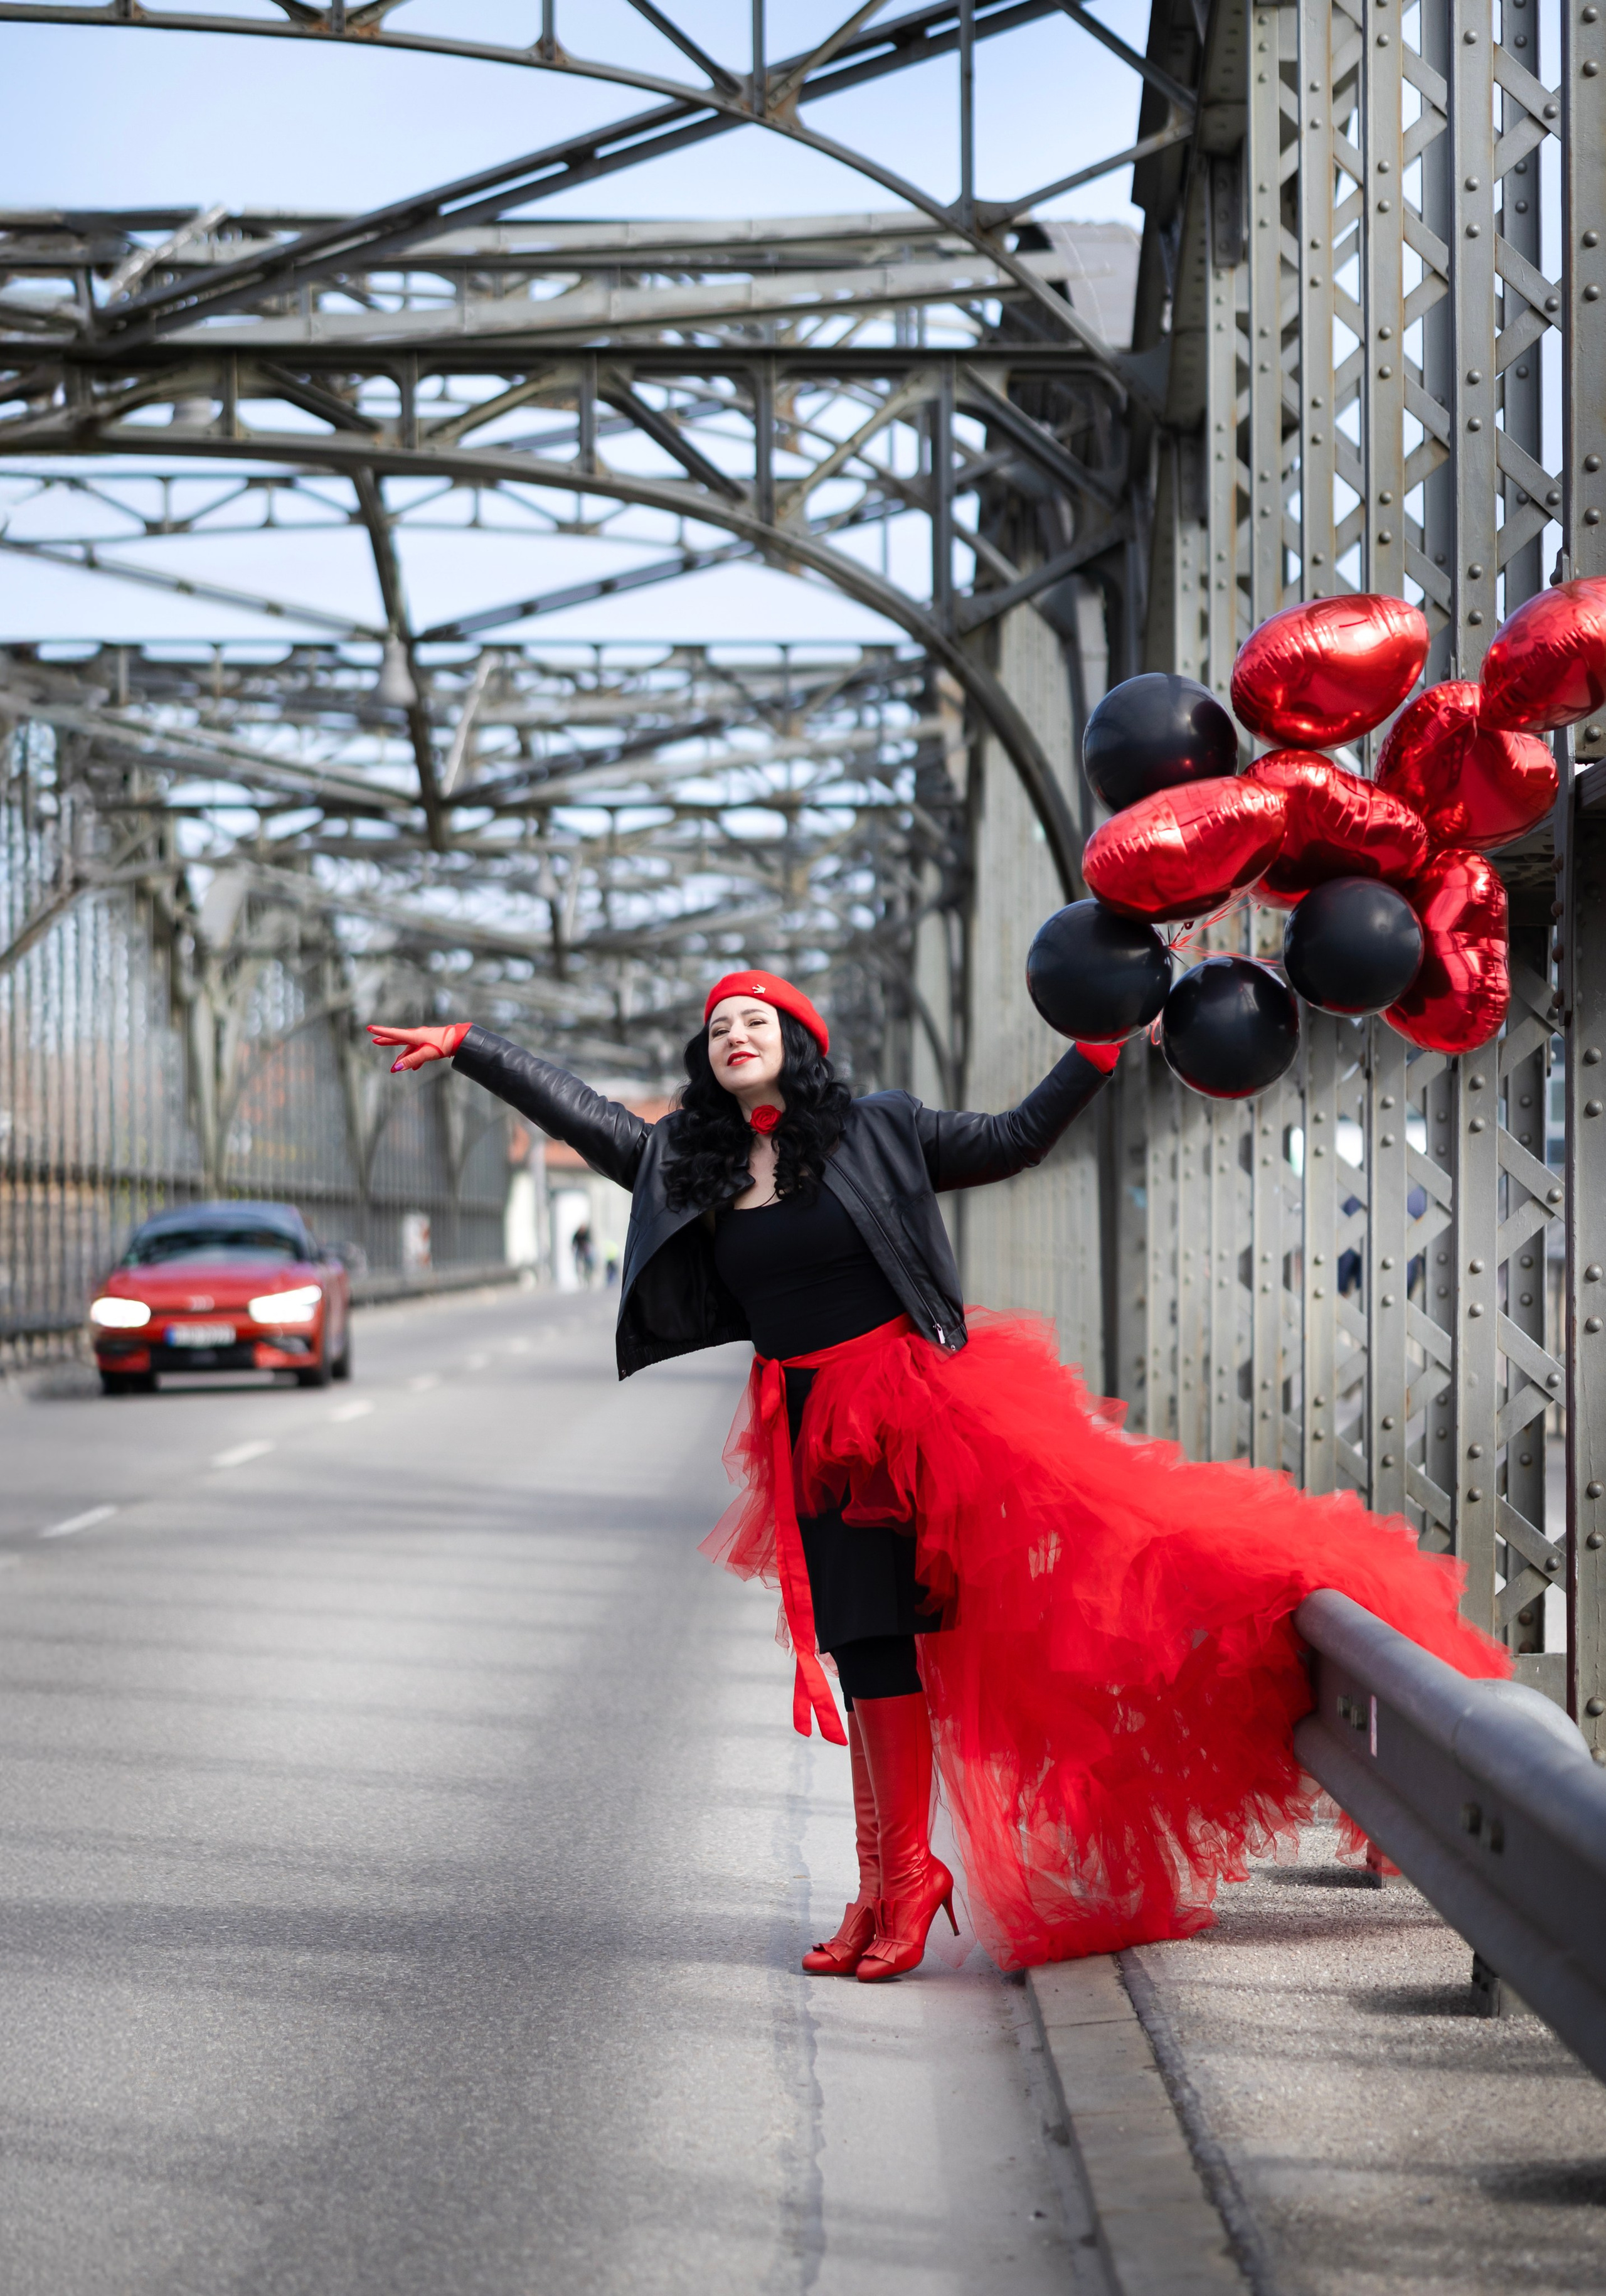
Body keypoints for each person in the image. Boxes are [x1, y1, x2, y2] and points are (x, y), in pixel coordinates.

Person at [367, 978, 1504, 1982]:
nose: (734, 1035)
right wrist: (472, 1048)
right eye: (717, 1029)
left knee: (968, 1618)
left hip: (913, 1421)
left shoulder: (880, 1129)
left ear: (799, 1041)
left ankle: (905, 1885)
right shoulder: (690, 1162)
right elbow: (587, 1116)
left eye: (755, 1019)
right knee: (864, 1653)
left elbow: (1013, 1141)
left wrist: (1097, 1049)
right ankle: (886, 1885)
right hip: (805, 1423)